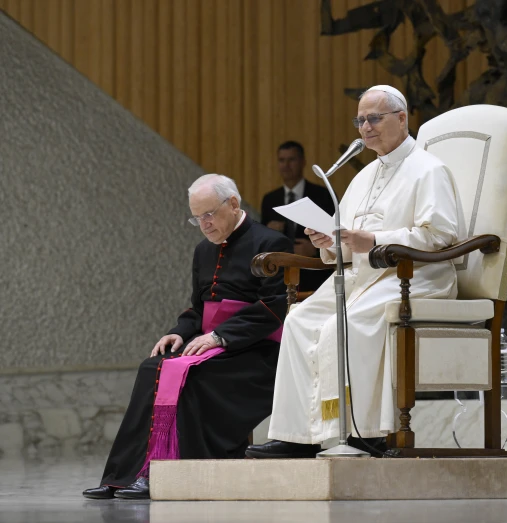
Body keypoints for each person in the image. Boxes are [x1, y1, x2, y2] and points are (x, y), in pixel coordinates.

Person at [246, 85, 463, 459]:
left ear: (402, 118)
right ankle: (298, 435)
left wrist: (373, 239)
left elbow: (441, 236)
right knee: (298, 321)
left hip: (413, 278)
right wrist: (327, 240)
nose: (365, 127)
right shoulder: (363, 177)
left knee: (344, 325)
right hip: (363, 277)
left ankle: (363, 434)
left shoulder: (430, 170)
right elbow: (346, 244)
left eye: (374, 118)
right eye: (360, 120)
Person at [83, 174, 290, 500]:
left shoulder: (270, 244)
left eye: (209, 214)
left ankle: (169, 474)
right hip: (211, 345)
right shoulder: (202, 251)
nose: (204, 224)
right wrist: (177, 333)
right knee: (151, 367)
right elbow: (198, 309)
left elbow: (275, 307)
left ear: (233, 204)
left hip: (256, 351)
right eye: (197, 218)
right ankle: (125, 475)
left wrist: (221, 336)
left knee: (190, 376)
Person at [260, 140, 336, 291]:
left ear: (303, 162)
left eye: (291, 159)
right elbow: (261, 240)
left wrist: (315, 250)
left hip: (315, 273)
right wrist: (268, 230)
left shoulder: (324, 195)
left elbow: (335, 233)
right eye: (282, 160)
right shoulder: (270, 199)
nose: (286, 165)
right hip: (280, 275)